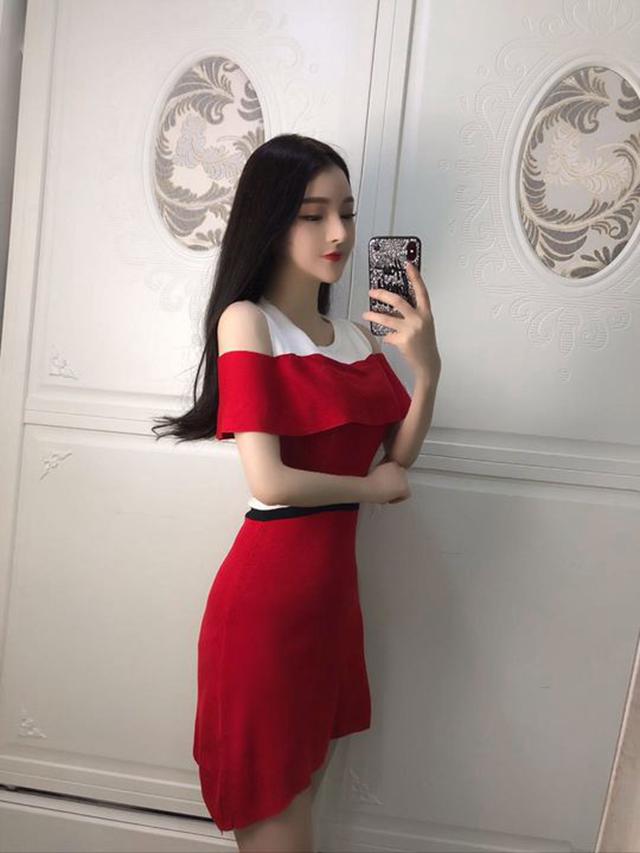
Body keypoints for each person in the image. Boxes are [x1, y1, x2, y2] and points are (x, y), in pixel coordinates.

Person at [152, 133, 441, 852]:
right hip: (267, 609)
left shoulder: (358, 338)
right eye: (314, 215)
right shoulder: (247, 321)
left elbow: (399, 457)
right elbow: (269, 479)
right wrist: (372, 489)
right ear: (272, 220)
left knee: (301, 814)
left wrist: (428, 369)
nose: (339, 232)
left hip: (332, 611)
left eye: (347, 212)